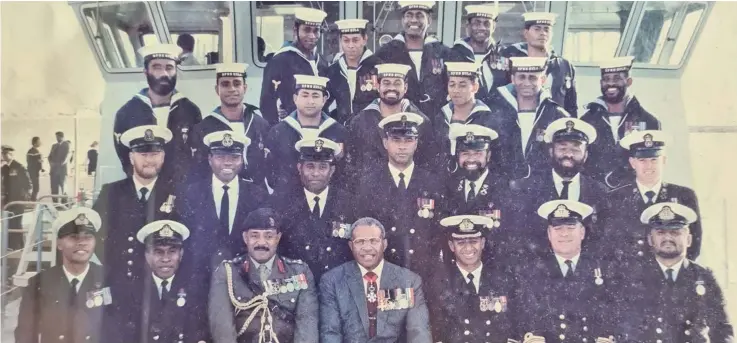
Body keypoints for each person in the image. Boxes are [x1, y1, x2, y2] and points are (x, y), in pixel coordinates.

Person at [511, 200, 626, 343]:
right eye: (558, 229)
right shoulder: (530, 272)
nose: (564, 234)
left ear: (582, 232)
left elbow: (619, 316)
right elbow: (521, 318)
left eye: (571, 227)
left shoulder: (605, 270)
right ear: (549, 233)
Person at [623, 202, 734, 343]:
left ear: (688, 239)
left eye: (675, 232)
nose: (668, 238)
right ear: (651, 239)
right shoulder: (633, 277)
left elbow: (722, 330)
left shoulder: (704, 278)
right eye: (660, 233)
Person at [209, 208, 319, 343]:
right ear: (245, 238)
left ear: (278, 238)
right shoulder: (227, 272)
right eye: (255, 236)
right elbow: (222, 330)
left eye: (269, 236)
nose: (261, 243)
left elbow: (307, 328)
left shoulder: (299, 272)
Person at [355, 112, 444, 278]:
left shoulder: (432, 183)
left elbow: (438, 232)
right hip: (386, 270)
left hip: (425, 271)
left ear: (416, 143)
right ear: (385, 143)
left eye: (408, 140)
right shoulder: (369, 183)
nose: (402, 147)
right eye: (396, 140)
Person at [319, 217, 432, 343]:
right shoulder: (333, 281)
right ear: (351, 246)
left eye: (374, 241)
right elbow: (330, 333)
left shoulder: (409, 281)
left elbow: (419, 332)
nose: (367, 248)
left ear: (384, 244)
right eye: (360, 242)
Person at [508, 118, 608, 257]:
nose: (568, 154)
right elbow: (518, 238)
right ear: (551, 151)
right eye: (562, 148)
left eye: (576, 149)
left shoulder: (599, 192)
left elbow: (602, 240)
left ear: (585, 155)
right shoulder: (526, 189)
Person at [177, 130, 267, 283]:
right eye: (220, 157)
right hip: (199, 279)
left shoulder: (257, 195)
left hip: (244, 279)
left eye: (234, 157)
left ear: (242, 159)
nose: (227, 162)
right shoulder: (190, 194)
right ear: (210, 159)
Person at [93, 125, 179, 285]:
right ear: (132, 157)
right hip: (120, 280)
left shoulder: (178, 194)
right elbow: (95, 235)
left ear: (163, 156)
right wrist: (115, 264)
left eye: (155, 154)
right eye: (143, 154)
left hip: (160, 284)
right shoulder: (111, 192)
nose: (149, 160)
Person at [599, 130, 703, 261]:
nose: (649, 166)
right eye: (642, 160)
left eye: (654, 159)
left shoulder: (684, 196)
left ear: (664, 160)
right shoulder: (614, 198)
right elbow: (606, 246)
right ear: (632, 163)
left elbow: (694, 244)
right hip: (628, 277)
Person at [15, 208, 110, 343]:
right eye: (74, 237)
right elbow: (25, 334)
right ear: (59, 244)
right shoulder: (39, 283)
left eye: (88, 237)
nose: (82, 242)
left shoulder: (109, 279)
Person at [112, 44, 202, 184]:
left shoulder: (190, 111)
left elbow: (196, 155)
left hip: (180, 193)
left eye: (169, 68)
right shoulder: (126, 113)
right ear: (145, 72)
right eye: (157, 67)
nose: (164, 74)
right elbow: (125, 158)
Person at [106, 220, 208, 343]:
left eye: (172, 251)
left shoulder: (194, 289)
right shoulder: (132, 290)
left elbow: (199, 333)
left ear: (181, 254)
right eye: (158, 252)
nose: (165, 258)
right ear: (147, 255)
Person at [270, 138, 355, 282]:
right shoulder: (281, 203)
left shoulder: (349, 203)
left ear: (332, 170)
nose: (316, 173)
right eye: (310, 166)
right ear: (299, 168)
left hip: (338, 284)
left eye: (322, 167)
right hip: (296, 286)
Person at [426, 215, 516, 343]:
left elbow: (514, 324)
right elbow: (437, 330)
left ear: (483, 243)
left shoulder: (503, 279)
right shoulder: (439, 283)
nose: (468, 248)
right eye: (461, 243)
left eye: (474, 241)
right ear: (452, 246)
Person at [346, 63, 436, 185]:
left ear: (405, 87)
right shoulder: (360, 122)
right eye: (386, 83)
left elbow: (428, 165)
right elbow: (352, 167)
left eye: (397, 83)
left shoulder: (421, 122)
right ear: (377, 86)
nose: (392, 88)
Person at [581, 56, 661, 188]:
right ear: (601, 82)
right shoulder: (586, 121)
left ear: (629, 81)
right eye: (606, 79)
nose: (610, 84)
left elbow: (653, 166)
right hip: (597, 196)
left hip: (632, 195)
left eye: (617, 78)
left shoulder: (648, 121)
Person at [487, 57, 570, 181]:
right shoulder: (496, 113)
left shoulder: (557, 115)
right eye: (522, 77)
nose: (526, 83)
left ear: (542, 80)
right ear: (513, 79)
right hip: (504, 187)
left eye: (532, 78)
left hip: (542, 188)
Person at [189, 63, 270, 188]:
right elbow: (200, 172)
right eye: (225, 84)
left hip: (256, 197)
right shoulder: (203, 128)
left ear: (245, 88)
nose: (232, 89)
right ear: (217, 89)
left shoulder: (261, 124)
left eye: (237, 83)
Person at [265, 74, 348, 195]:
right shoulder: (278, 131)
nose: (310, 101)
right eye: (305, 95)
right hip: (288, 200)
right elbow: (271, 174)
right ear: (295, 98)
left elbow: (344, 171)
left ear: (324, 100)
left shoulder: (338, 131)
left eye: (315, 96)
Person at [375, 1, 453, 116]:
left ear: (429, 20)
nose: (414, 20)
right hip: (400, 122)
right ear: (402, 20)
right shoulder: (385, 53)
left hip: (436, 123)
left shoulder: (443, 53)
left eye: (420, 15)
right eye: (409, 15)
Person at [260, 7, 328, 125]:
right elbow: (267, 102)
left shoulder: (321, 61)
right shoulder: (280, 60)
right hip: (290, 127)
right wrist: (276, 132)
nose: (312, 36)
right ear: (295, 30)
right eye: (306, 30)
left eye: (316, 31)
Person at [502, 12, 578, 116]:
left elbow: (571, 105)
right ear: (525, 33)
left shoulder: (564, 65)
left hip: (555, 122)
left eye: (546, 29)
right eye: (537, 29)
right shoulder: (513, 62)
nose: (543, 33)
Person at [435, 62, 495, 169]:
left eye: (462, 85)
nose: (456, 90)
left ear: (475, 87)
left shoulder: (487, 119)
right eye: (452, 85)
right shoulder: (441, 116)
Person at [323, 19, 382, 125]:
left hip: (372, 130)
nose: (351, 45)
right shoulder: (334, 70)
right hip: (342, 131)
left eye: (355, 40)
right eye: (346, 40)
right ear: (340, 41)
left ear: (364, 39)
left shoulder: (378, 67)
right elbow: (323, 103)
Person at [450, 4, 509, 106]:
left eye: (487, 24)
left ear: (493, 27)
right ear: (468, 26)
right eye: (477, 23)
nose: (482, 28)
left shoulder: (504, 54)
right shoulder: (453, 55)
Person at [2, 145, 31, 248]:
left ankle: (19, 246)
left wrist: (25, 199)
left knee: (17, 222)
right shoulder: (4, 168)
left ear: (11, 154)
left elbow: (28, 184)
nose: (3, 156)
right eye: (2, 153)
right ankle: (11, 246)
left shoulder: (19, 167)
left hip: (18, 200)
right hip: (8, 200)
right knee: (8, 223)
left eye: (5, 153)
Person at [48, 131, 71, 203]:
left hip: (62, 170)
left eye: (58, 137)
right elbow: (49, 157)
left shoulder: (66, 144)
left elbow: (67, 156)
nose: (57, 138)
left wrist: (60, 164)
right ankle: (55, 203)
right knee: (54, 188)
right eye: (56, 137)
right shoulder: (54, 146)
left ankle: (64, 203)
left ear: (62, 137)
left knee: (64, 187)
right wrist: (51, 163)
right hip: (53, 171)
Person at [26, 136, 43, 201]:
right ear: (35, 143)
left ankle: (33, 199)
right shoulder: (32, 151)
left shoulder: (34, 151)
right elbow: (30, 162)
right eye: (39, 142)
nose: (40, 143)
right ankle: (33, 200)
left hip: (35, 171)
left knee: (35, 187)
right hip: (33, 172)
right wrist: (39, 161)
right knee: (36, 187)